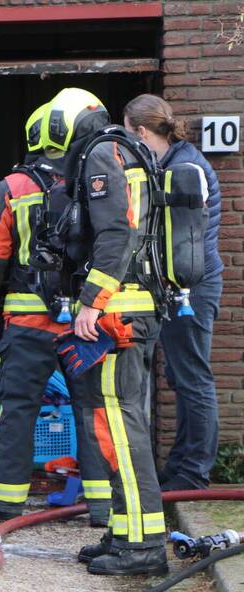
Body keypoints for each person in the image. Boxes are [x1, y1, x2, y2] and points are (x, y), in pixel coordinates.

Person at [39, 88, 167, 576]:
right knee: (118, 423)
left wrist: (91, 302)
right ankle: (125, 529)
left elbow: (117, 233)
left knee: (120, 427)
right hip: (132, 308)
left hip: (117, 314)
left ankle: (143, 545)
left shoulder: (101, 154)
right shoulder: (127, 151)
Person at [0, 104, 111, 524]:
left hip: (27, 324)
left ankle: (6, 502)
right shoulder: (100, 180)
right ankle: (102, 506)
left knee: (17, 411)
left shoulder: (15, 186)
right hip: (86, 324)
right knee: (92, 411)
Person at [124, 94, 223, 491]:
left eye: (129, 133)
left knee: (193, 377)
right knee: (182, 377)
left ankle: (193, 473)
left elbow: (181, 241)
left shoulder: (183, 169)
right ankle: (181, 464)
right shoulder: (175, 162)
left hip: (191, 287)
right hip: (185, 285)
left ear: (142, 131)